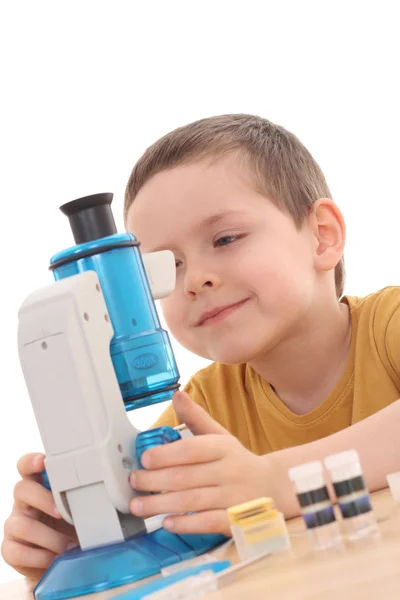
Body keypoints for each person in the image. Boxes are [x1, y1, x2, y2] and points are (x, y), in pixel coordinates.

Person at [3, 114, 400, 580]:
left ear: (322, 235)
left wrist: (272, 481)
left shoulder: (388, 324)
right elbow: (149, 503)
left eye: (226, 238)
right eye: (167, 266)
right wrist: (81, 527)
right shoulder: (205, 409)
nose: (194, 280)